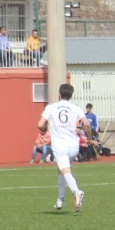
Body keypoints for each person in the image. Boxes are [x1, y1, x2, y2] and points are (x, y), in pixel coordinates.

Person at [38, 83, 92, 213]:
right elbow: (86, 123)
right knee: (61, 171)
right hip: (74, 146)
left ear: (59, 94)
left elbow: (40, 124)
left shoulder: (51, 107)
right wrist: (89, 138)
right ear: (71, 95)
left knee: (66, 172)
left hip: (60, 145)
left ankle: (77, 192)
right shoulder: (75, 107)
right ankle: (60, 200)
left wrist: (44, 130)